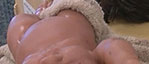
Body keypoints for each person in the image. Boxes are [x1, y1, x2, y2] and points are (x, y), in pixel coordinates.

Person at [7, 8, 139, 64]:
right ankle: (50, 8)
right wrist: (127, 60)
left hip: (26, 39)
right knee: (73, 13)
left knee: (17, 26)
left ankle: (39, 12)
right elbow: (111, 45)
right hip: (67, 22)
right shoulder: (92, 57)